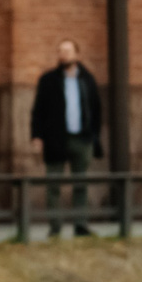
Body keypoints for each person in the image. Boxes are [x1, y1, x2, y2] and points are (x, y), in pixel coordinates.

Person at [29, 38, 102, 237]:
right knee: (53, 184)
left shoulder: (87, 79)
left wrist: (93, 135)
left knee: (81, 183)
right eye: (61, 51)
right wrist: (37, 136)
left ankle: (81, 224)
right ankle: (55, 226)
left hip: (81, 138)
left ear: (77, 54)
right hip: (55, 140)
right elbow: (38, 110)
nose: (64, 55)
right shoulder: (49, 80)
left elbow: (96, 110)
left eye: (68, 51)